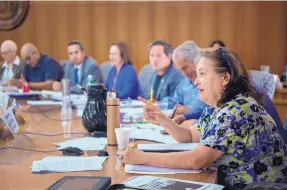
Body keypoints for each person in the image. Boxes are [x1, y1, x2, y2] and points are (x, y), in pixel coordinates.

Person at [119, 47, 287, 189]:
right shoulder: (218, 107)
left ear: (225, 78)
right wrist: (162, 119)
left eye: (202, 74)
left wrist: (142, 158)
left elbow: (196, 160)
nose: (196, 81)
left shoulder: (237, 110)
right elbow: (190, 136)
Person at [162, 41, 207, 124]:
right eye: (180, 70)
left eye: (185, 68)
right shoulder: (185, 82)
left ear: (196, 61)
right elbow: (175, 101)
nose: (184, 74)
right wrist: (160, 106)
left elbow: (211, 113)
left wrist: (189, 112)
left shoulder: (209, 83)